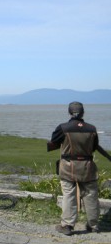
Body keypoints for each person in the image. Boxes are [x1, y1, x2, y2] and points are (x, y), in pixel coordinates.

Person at [47, 101, 100, 236]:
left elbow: (54, 140)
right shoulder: (92, 128)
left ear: (70, 112)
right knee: (91, 195)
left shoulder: (63, 127)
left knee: (69, 196)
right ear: (82, 113)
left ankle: (67, 225)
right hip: (87, 167)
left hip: (68, 167)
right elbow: (94, 147)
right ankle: (93, 225)